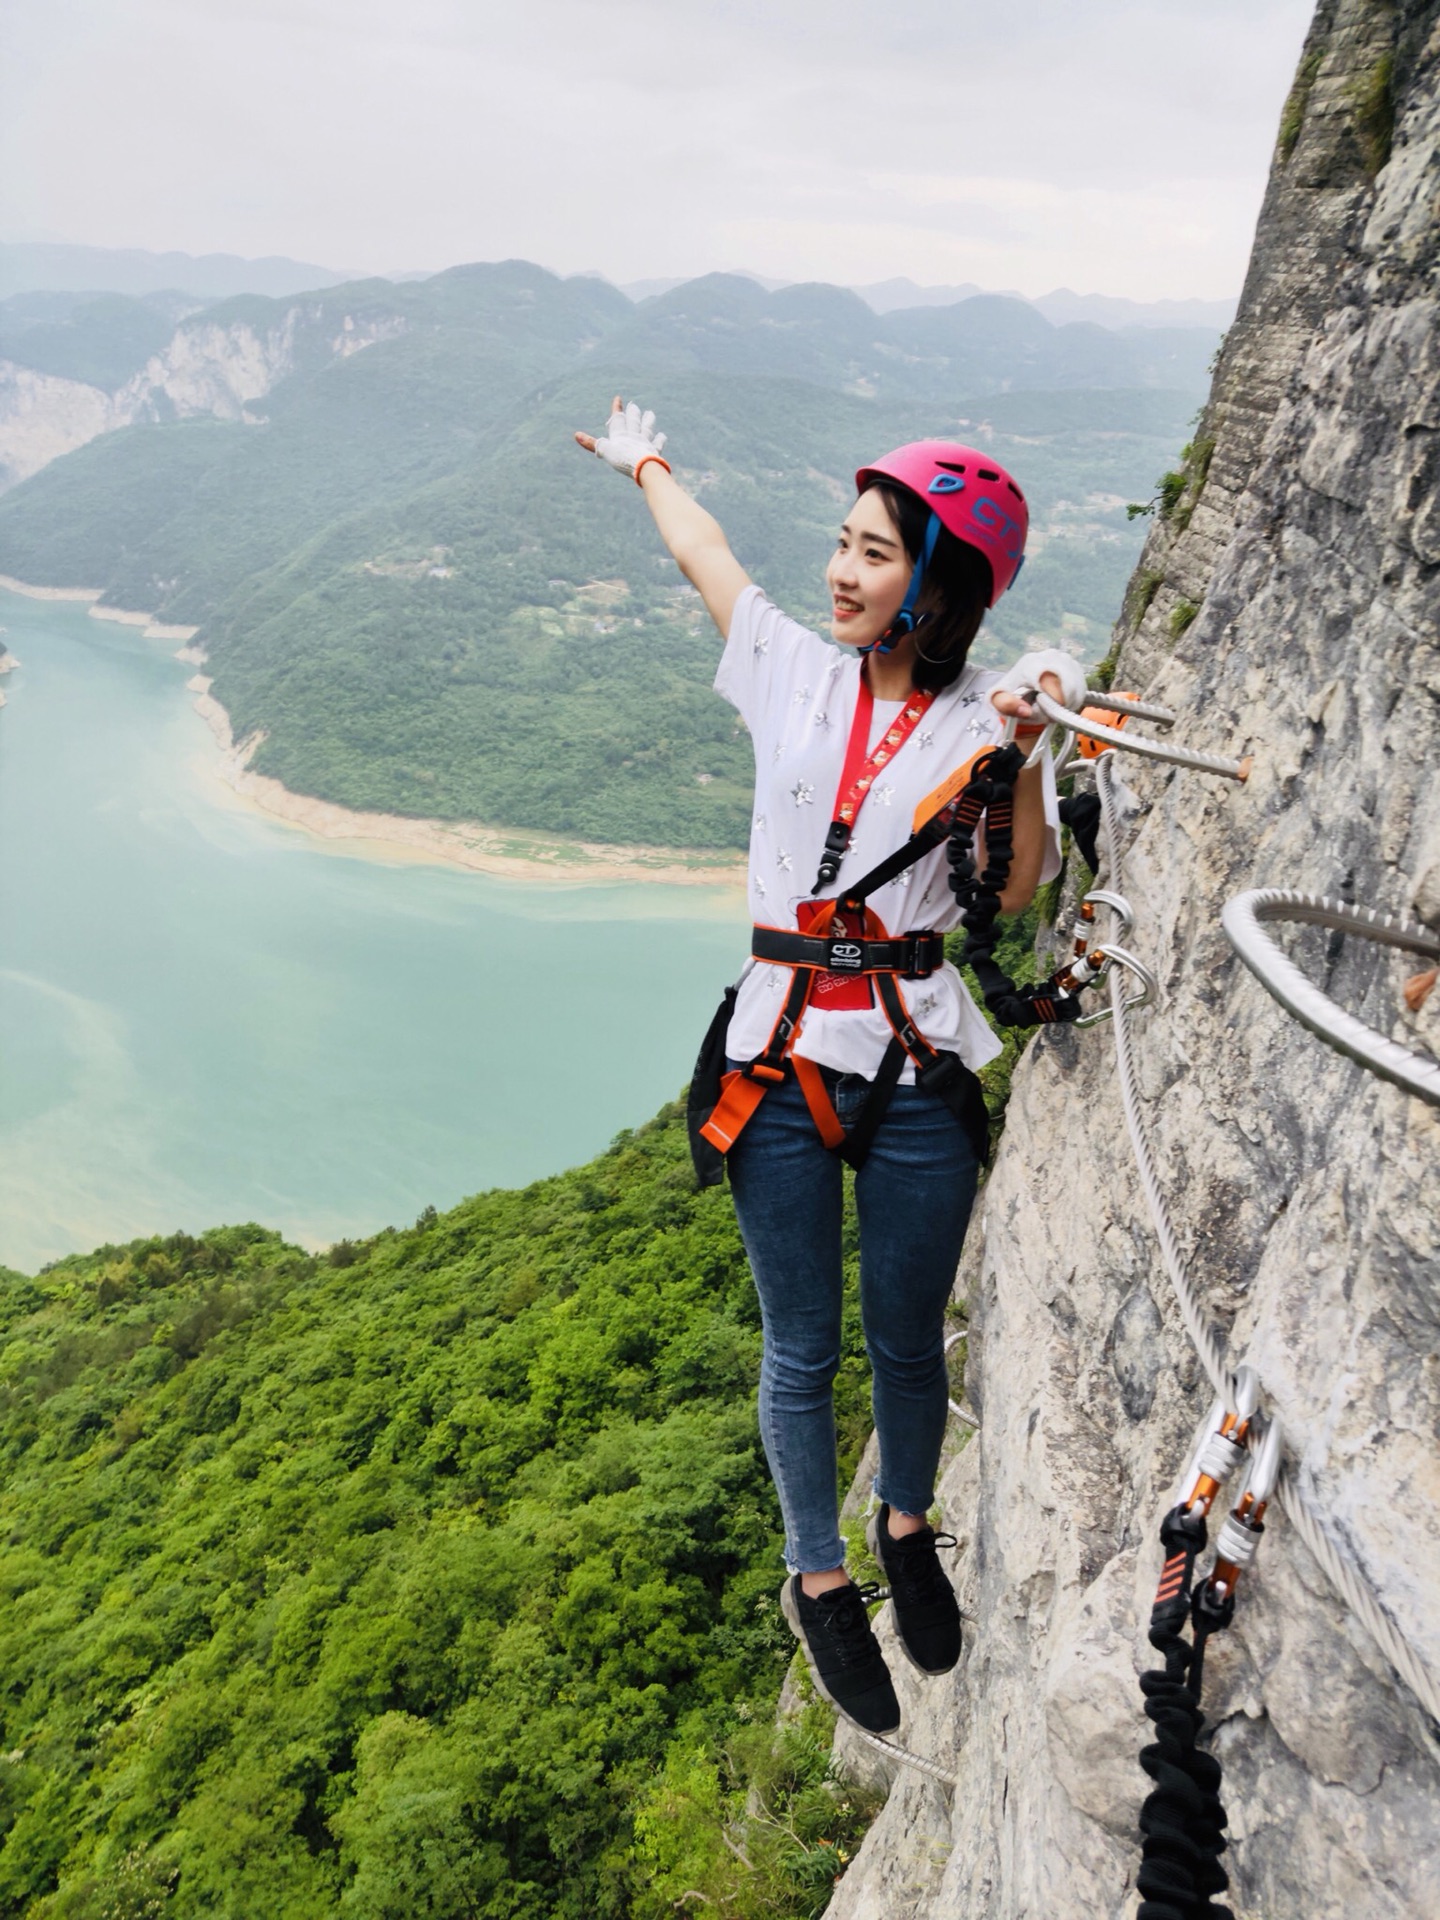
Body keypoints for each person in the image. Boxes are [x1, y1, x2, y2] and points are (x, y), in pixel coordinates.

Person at [575, 400, 1085, 1735]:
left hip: (914, 1053)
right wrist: (647, 467)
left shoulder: (989, 716)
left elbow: (1017, 889)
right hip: (781, 1050)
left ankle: (906, 1528)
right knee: (799, 1345)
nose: (840, 573)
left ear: (939, 584)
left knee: (904, 1338)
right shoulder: (793, 669)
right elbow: (707, 556)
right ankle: (821, 1576)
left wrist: (1022, 752)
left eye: (872, 554)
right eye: (844, 544)